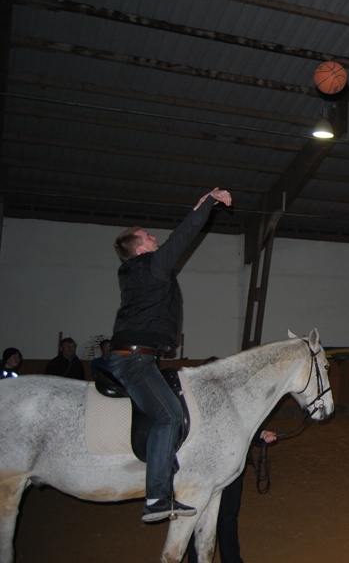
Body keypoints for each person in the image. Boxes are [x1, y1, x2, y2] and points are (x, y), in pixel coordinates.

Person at [109, 186, 232, 523]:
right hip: (135, 359)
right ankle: (156, 499)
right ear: (139, 248)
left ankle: (170, 466)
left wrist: (203, 201)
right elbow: (183, 236)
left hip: (137, 355)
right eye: (148, 236)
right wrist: (208, 204)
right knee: (169, 416)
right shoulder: (151, 266)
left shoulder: (133, 271)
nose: (154, 238)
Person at [187, 427, 278, 563]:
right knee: (200, 517)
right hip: (203, 462)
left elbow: (239, 421)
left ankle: (231, 559)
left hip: (231, 462)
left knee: (228, 516)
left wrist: (260, 433)